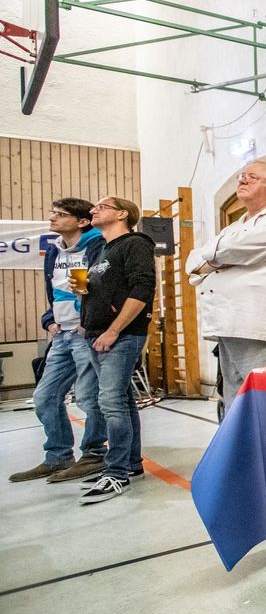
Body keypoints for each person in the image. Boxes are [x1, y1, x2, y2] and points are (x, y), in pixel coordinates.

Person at [187, 159, 266, 408]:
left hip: (260, 328)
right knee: (235, 404)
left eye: (252, 176)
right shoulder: (234, 226)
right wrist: (217, 260)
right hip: (228, 326)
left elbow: (232, 249)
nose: (242, 179)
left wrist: (213, 259)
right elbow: (193, 263)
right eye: (241, 176)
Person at [9, 198, 108, 483]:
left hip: (84, 333)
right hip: (61, 334)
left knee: (89, 397)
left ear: (82, 221)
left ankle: (94, 454)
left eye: (61, 214)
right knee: (44, 397)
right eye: (53, 213)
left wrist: (88, 323)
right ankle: (58, 456)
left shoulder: (98, 246)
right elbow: (54, 291)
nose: (53, 218)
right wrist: (49, 320)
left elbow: (98, 288)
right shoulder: (54, 250)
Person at [75, 196, 156, 505]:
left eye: (102, 206)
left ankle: (116, 472)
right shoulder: (102, 250)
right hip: (96, 335)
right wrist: (84, 306)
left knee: (111, 402)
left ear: (122, 214)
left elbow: (142, 289)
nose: (93, 210)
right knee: (121, 400)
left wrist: (114, 330)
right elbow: (99, 292)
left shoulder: (135, 244)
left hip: (120, 336)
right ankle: (131, 464)